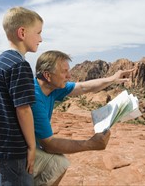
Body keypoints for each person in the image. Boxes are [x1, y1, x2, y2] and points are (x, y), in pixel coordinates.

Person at [32, 50, 134, 186]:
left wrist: (112, 79)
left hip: (30, 145)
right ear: (47, 75)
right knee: (58, 163)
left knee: (57, 163)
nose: (69, 76)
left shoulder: (51, 87)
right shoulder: (34, 98)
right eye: (64, 72)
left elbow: (83, 87)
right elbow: (49, 144)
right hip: (15, 151)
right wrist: (90, 144)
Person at [0, 6, 43, 186]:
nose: (41, 39)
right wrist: (32, 146)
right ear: (22, 32)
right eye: (38, 32)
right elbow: (24, 110)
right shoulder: (20, 65)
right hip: (12, 149)